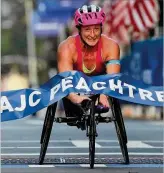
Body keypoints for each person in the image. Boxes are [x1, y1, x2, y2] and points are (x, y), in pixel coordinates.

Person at [57, 4, 120, 109]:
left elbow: (112, 78)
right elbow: (65, 80)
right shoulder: (66, 47)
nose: (92, 34)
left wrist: (104, 95)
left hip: (100, 85)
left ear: (101, 28)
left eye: (96, 29)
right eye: (87, 30)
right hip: (74, 85)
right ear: (79, 30)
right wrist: (75, 97)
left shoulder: (111, 46)